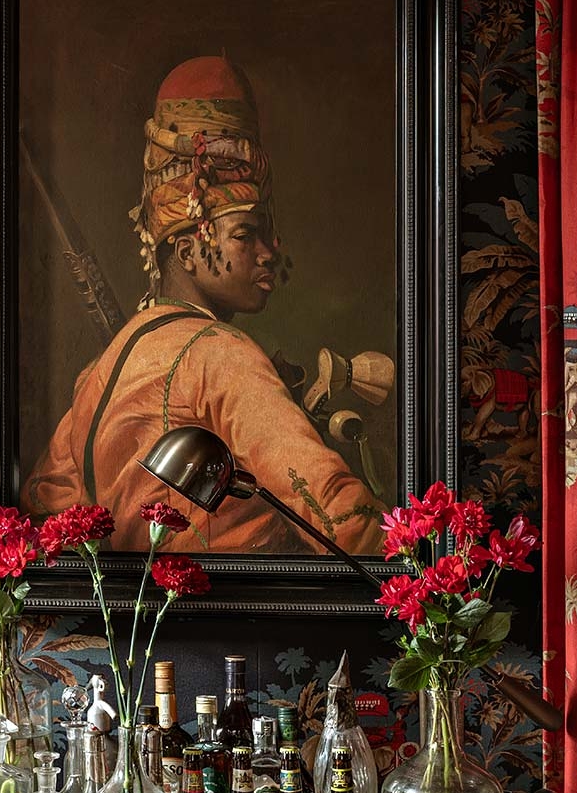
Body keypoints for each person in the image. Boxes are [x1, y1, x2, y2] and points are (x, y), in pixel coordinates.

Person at [22, 54, 386, 555]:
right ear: (188, 251)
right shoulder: (220, 353)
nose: (269, 252)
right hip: (241, 599)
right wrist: (410, 566)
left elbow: (47, 503)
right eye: (246, 234)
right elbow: (333, 510)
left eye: (267, 235)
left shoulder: (102, 369)